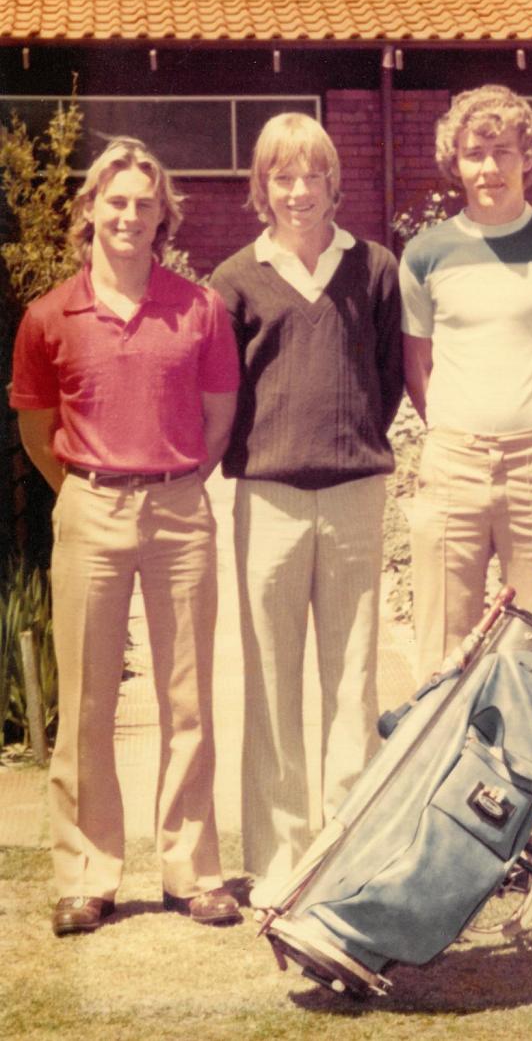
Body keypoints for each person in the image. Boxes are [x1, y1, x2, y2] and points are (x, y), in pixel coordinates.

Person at [11, 138, 242, 935]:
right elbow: (37, 430)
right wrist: (88, 493)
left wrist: (170, 483)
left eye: (145, 203)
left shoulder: (200, 308)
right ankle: (87, 875)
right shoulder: (49, 315)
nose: (130, 216)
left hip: (180, 508)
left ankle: (192, 871)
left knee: (189, 700)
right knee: (86, 703)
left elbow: (218, 419)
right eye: (116, 201)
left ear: (163, 216)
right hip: (90, 507)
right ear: (90, 210)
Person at [400, 86, 532, 876]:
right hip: (454, 464)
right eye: (475, 154)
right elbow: (420, 368)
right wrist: (460, 435)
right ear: (456, 163)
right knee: (443, 652)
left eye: (503, 152)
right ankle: (433, 837)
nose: (489, 168)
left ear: (528, 158)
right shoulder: (427, 253)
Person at [209, 113, 404, 906]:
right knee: (271, 678)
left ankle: (347, 849)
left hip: (354, 491)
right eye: (282, 177)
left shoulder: (375, 268)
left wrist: (349, 440)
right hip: (269, 497)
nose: (298, 191)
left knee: (353, 679)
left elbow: (387, 378)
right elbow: (227, 391)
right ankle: (280, 857)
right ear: (262, 188)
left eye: (311, 175)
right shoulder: (235, 280)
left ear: (333, 182)